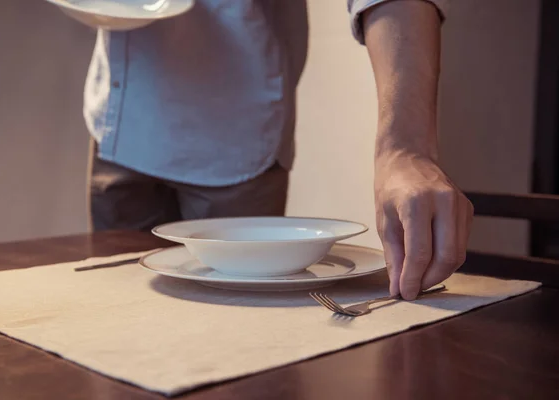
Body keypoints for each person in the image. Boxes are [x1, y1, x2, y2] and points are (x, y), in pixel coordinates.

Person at [82, 0, 473, 300]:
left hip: (238, 140)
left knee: (238, 334)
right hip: (117, 125)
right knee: (118, 311)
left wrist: (406, 149)